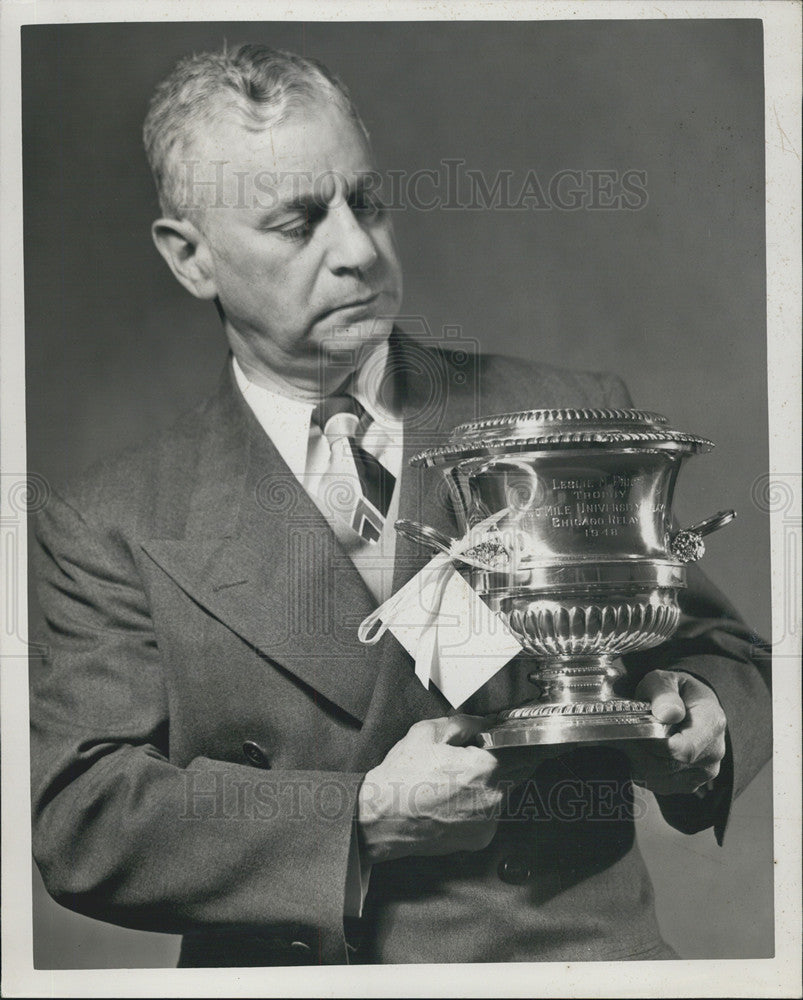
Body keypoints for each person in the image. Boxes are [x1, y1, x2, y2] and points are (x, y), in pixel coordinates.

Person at [29, 43, 771, 967]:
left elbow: (723, 655)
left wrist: (699, 715)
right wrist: (361, 822)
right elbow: (82, 816)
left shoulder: (566, 414)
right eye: (297, 224)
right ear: (190, 259)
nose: (357, 251)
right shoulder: (112, 518)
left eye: (366, 202)